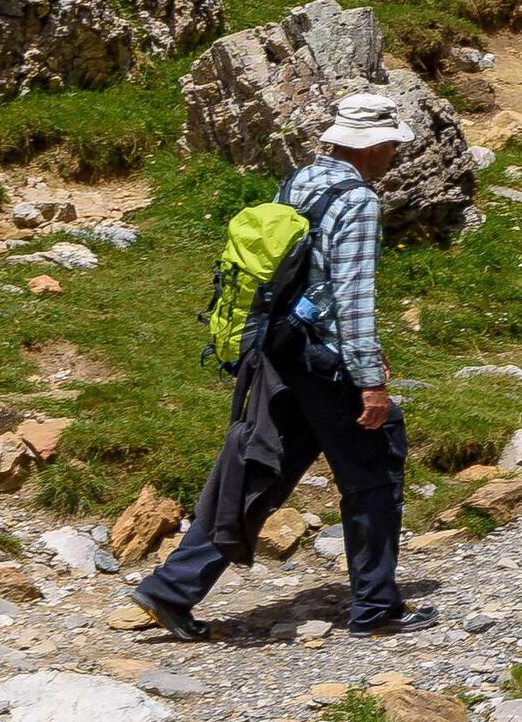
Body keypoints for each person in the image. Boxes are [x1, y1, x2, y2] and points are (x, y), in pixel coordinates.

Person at [137, 88, 424, 639]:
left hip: (279, 351)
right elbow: (353, 294)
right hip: (325, 362)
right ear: (374, 145)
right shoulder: (359, 201)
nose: (394, 154)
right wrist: (370, 381)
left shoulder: (301, 180)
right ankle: (376, 608)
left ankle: (171, 589)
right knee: (374, 470)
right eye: (392, 144)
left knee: (265, 468)